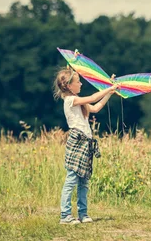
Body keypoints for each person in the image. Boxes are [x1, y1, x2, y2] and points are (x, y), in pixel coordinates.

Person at [52, 67, 119, 225]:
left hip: (86, 142)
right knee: (71, 179)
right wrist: (109, 87)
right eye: (78, 81)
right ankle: (65, 215)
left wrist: (109, 92)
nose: (81, 83)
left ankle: (83, 213)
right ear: (69, 86)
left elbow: (95, 107)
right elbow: (92, 97)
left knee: (84, 181)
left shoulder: (79, 102)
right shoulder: (70, 100)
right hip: (77, 141)